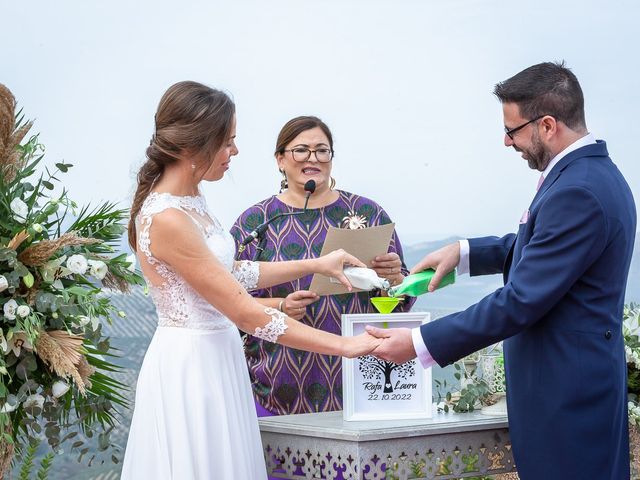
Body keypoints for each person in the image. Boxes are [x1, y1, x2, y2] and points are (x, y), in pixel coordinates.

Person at [367, 62, 636, 479]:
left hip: (568, 398)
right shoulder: (588, 175)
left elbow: (522, 299)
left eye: (513, 131)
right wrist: (465, 251)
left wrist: (420, 342)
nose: (507, 142)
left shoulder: (578, 189)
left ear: (547, 125)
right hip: (572, 387)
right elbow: (540, 248)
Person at [121, 82, 381, 480]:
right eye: (227, 142)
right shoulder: (168, 217)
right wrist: (345, 347)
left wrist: (318, 263)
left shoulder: (191, 200)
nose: (235, 152)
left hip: (218, 357)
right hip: (193, 368)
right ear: (195, 144)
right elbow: (246, 312)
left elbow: (231, 272)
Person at [230, 115, 414, 417]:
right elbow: (228, 302)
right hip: (278, 378)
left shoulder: (369, 213)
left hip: (357, 376)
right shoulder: (256, 222)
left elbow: (399, 304)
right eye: (301, 150)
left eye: (322, 150)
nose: (312, 158)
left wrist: (394, 280)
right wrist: (281, 307)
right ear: (280, 159)